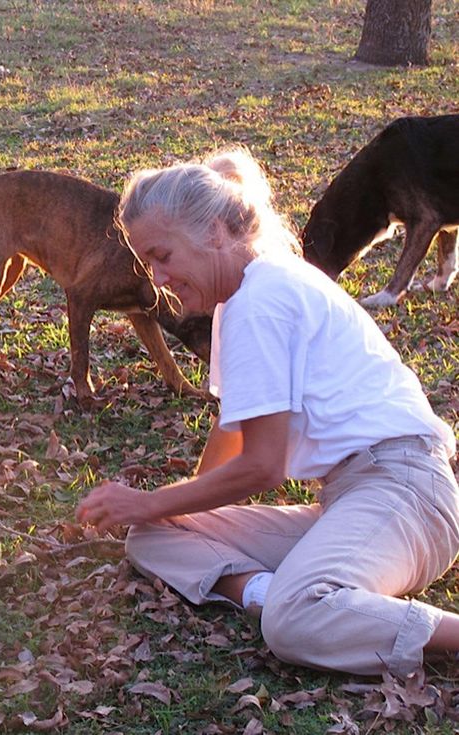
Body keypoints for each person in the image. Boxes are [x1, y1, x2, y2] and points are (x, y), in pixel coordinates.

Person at [76, 146, 459, 677]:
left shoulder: (263, 298)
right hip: (355, 498)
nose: (156, 278)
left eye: (162, 256)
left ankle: (307, 602)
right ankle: (274, 591)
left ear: (213, 232)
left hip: (406, 493)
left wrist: (147, 500)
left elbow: (262, 467)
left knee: (293, 623)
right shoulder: (243, 297)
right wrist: (173, 512)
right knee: (156, 536)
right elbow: (230, 432)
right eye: (148, 263)